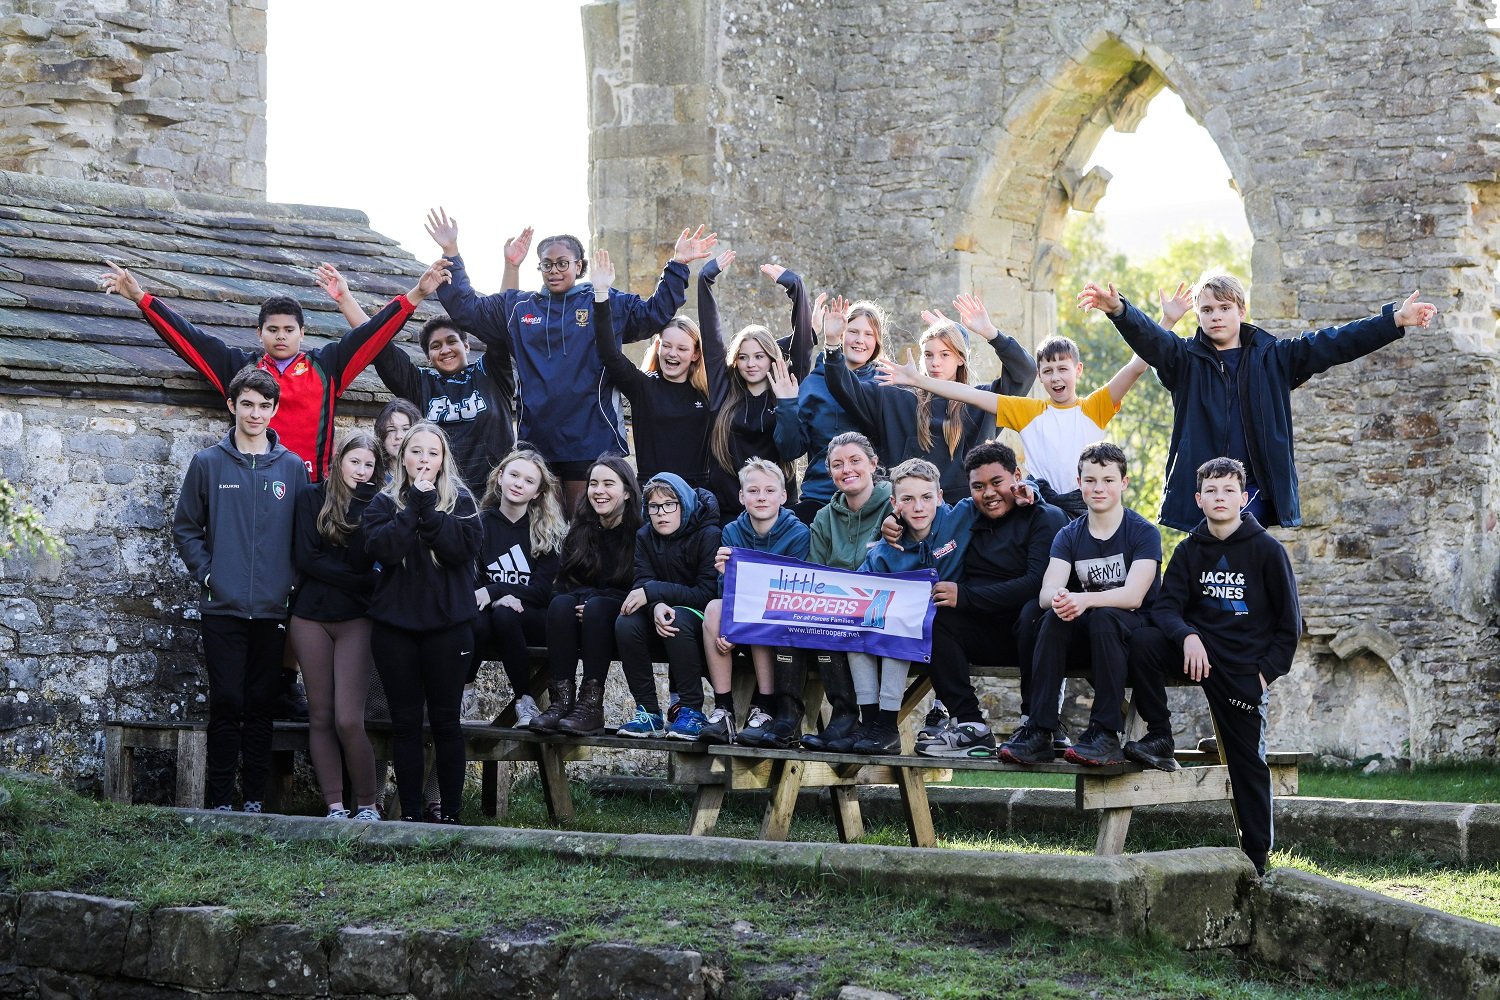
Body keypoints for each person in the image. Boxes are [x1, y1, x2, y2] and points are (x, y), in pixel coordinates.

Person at [1078, 275, 1437, 530]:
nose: (1215, 316)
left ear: (1241, 311)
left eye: (1223, 307)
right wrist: (1120, 310)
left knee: (1250, 581)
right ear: (1198, 316)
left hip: (1255, 492)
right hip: (1203, 492)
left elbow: (1335, 342)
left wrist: (1394, 320)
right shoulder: (1184, 359)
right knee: (1205, 583)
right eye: (1206, 310)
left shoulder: (1275, 357)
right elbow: (1153, 339)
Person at [426, 207, 717, 511]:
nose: (554, 270)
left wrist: (679, 264)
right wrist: (451, 251)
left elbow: (654, 313)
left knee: (586, 531)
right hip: (537, 444)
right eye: (547, 264)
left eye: (563, 263)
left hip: (592, 442)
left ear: (579, 266)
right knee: (544, 535)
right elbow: (467, 309)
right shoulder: (518, 307)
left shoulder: (604, 300)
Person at [102, 259, 450, 481]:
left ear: (303, 332)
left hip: (312, 488)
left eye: (288, 330)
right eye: (273, 330)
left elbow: (374, 335)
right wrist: (142, 298)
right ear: (260, 333)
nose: (280, 336)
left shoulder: (327, 365)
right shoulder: (243, 369)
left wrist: (416, 294)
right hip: (253, 483)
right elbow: (190, 340)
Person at [1125, 457, 1299, 876]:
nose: (1220, 498)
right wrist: (1187, 635)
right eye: (1212, 491)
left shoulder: (1267, 551)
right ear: (1198, 499)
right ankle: (1160, 735)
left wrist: (1263, 674)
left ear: (1244, 497)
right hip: (1196, 655)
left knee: (1247, 763)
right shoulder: (1189, 550)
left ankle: (1257, 858)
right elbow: (1166, 608)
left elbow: (1289, 624)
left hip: (1242, 668)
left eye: (1229, 490)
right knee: (1145, 640)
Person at [878, 290, 1192, 517]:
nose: (1056, 377)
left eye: (1063, 369)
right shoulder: (1028, 411)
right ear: (1040, 377)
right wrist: (920, 381)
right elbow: (969, 394)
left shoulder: (1095, 407)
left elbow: (1137, 366)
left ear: (1077, 371)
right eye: (1048, 371)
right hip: (1043, 511)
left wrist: (1167, 320)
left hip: (1087, 508)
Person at [172, 367, 306, 812]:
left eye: (264, 405)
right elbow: (186, 528)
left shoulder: (291, 467)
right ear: (232, 406)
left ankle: (253, 800)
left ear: (274, 410)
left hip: (272, 610)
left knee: (261, 705)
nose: (255, 413)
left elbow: (303, 537)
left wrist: (289, 585)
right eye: (246, 404)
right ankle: (219, 801)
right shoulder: (208, 463)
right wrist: (210, 575)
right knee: (227, 702)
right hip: (222, 607)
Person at [998, 442, 1160, 767]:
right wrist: (1061, 599)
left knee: (1103, 618)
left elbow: (1133, 597)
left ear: (1123, 483)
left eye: (1108, 480)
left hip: (1137, 633)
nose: (1098, 488)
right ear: (1079, 482)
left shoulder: (1143, 533)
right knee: (1052, 617)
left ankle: (1104, 734)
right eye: (1090, 480)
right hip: (1096, 638)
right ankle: (1041, 730)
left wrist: (1083, 599)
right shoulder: (1069, 535)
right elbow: (1046, 592)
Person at [912, 441, 1069, 758]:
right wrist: (895, 523)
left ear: (1016, 477)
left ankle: (1035, 722)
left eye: (997, 482)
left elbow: (1037, 584)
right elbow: (923, 517)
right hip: (987, 632)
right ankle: (970, 725)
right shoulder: (968, 516)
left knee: (1034, 612)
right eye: (978, 486)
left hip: (1039, 635)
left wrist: (965, 596)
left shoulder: (1045, 517)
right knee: (937, 617)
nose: (989, 493)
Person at [361, 422, 482, 824]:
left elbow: (457, 549)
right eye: (416, 452)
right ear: (402, 456)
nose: (424, 460)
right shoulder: (381, 503)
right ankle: (409, 813)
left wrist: (428, 508)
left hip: (448, 629)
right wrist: (412, 505)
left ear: (443, 458)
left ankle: (450, 814)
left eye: (432, 453)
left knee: (446, 722)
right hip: (396, 629)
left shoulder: (462, 502)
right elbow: (385, 549)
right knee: (405, 724)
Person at [317, 263, 516, 491]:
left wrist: (511, 266)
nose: (445, 349)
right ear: (429, 357)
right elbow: (375, 342)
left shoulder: (490, 374)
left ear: (467, 346)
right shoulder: (420, 383)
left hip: (495, 498)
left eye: (452, 341)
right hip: (439, 499)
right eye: (436, 346)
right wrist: (345, 300)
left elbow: (501, 322)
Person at [829, 293, 1036, 503]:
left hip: (965, 512)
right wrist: (832, 343)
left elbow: (1025, 372)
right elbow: (843, 387)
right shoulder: (896, 398)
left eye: (944, 354)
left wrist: (991, 333)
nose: (935, 362)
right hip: (907, 511)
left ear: (960, 360)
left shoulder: (981, 402)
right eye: (929, 355)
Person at [842, 459, 971, 754]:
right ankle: (871, 721)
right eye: (908, 499)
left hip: (944, 629)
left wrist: (1029, 488)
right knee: (857, 624)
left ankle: (887, 723)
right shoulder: (886, 549)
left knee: (899, 622)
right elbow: (859, 588)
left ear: (939, 496)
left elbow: (1000, 493)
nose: (918, 507)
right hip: (895, 632)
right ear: (894, 504)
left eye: (927, 497)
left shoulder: (959, 517)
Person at [288, 431, 382, 821]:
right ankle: (335, 806)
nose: (360, 471)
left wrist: (350, 577)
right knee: (321, 715)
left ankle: (368, 805)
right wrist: (358, 579)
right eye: (354, 461)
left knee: (348, 717)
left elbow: (372, 561)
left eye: (369, 465)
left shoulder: (377, 506)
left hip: (356, 621)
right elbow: (306, 559)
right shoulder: (311, 497)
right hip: (310, 617)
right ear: (339, 460)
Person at [591, 248, 729, 488]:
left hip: (699, 495)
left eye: (682, 349)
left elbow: (748, 356)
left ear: (696, 354)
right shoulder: (643, 386)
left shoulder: (709, 391)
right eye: (667, 346)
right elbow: (609, 353)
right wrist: (601, 294)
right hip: (651, 493)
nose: (672, 353)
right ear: (658, 346)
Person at [699, 458, 812, 745]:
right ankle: (723, 709)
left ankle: (765, 706)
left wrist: (739, 629)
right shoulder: (731, 532)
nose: (761, 497)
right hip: (746, 614)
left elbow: (794, 591)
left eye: (769, 491)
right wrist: (726, 576)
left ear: (784, 496)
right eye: (753, 491)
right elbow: (728, 592)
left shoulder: (798, 534)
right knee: (713, 609)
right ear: (741, 496)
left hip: (783, 623)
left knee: (760, 610)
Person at [531, 456, 642, 736]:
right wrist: (586, 598)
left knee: (595, 608)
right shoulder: (579, 530)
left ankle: (591, 706)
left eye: (608, 484)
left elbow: (637, 587)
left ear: (627, 491)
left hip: (624, 616)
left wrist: (593, 600)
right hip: (584, 611)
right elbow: (562, 584)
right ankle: (561, 701)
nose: (599, 491)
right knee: (559, 605)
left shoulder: (640, 534)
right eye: (593, 484)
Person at [800, 432, 894, 750]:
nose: (847, 469)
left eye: (855, 461)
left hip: (884, 610)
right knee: (808, 625)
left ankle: (865, 724)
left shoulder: (894, 507)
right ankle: (842, 717)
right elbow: (817, 571)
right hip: (837, 611)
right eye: (837, 464)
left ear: (873, 464)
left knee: (845, 627)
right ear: (830, 472)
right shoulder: (825, 517)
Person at [614, 473, 723, 739]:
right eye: (654, 506)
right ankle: (648, 712)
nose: (661, 513)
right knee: (625, 622)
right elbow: (642, 579)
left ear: (683, 505)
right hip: (661, 614)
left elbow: (706, 593)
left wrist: (654, 593)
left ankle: (691, 710)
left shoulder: (709, 534)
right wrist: (655, 606)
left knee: (678, 619)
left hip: (700, 620)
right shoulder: (644, 537)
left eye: (669, 504)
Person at [707, 263, 817, 517]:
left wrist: (795, 285)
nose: (751, 364)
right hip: (730, 512)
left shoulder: (784, 386)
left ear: (771, 358)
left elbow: (802, 344)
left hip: (779, 510)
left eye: (759, 356)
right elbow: (712, 341)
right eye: (743, 357)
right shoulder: (725, 392)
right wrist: (705, 280)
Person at [471, 447, 566, 727]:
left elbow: (541, 591)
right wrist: (495, 596)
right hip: (490, 616)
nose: (518, 484)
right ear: (500, 477)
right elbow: (473, 585)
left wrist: (496, 592)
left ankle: (525, 701)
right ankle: (465, 692)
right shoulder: (479, 524)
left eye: (528, 481)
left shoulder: (547, 529)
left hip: (534, 617)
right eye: (513, 475)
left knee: (505, 613)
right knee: (475, 618)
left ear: (537, 492)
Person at [775, 298, 887, 523]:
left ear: (877, 342)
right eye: (853, 331)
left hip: (871, 498)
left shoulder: (885, 384)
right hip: (820, 496)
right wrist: (787, 405)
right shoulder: (815, 382)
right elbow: (790, 449)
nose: (860, 340)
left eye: (868, 334)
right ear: (841, 334)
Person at [374, 398, 422, 478]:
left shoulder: (429, 476)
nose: (398, 436)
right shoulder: (370, 477)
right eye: (391, 430)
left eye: (406, 429)